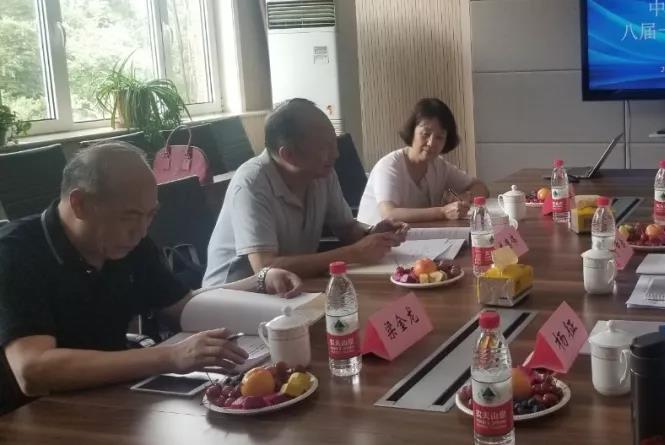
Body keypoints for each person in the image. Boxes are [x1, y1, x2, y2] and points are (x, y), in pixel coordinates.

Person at [0, 143, 304, 412]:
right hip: (33, 415)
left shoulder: (129, 243)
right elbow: (32, 370)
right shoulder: (16, 253)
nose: (142, 231)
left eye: (150, 215)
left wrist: (259, 281)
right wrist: (169, 357)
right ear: (80, 204)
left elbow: (183, 305)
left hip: (112, 397)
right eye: (130, 216)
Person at [203, 99, 406, 286]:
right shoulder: (252, 183)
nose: (336, 154)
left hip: (291, 286)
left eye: (334, 143)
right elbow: (265, 268)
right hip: (232, 294)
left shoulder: (323, 174)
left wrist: (372, 233)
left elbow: (346, 229)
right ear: (288, 155)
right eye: (324, 147)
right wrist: (353, 253)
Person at [356, 98, 488, 224]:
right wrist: (442, 212)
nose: (431, 143)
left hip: (414, 236)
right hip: (374, 237)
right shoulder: (389, 166)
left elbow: (480, 187)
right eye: (425, 134)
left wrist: (466, 196)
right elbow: (389, 214)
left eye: (439, 137)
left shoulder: (439, 166)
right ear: (412, 131)